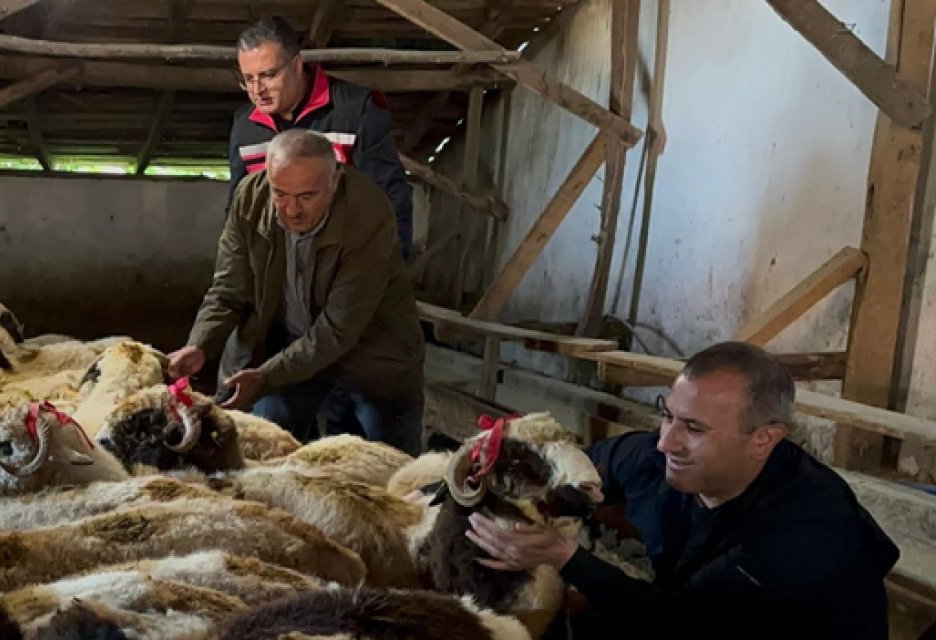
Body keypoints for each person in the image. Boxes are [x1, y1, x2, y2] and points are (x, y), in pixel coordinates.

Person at [465, 341, 899, 639]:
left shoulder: (802, 535)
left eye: (693, 428)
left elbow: (677, 624)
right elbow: (575, 467)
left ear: (764, 439)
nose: (666, 441)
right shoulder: (662, 461)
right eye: (668, 415)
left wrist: (564, 556)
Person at [168, 130, 424, 455]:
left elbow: (338, 328)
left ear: (335, 180)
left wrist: (266, 376)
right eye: (281, 194)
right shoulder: (250, 198)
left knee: (389, 465)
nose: (292, 210)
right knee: (266, 452)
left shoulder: (367, 214)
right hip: (288, 349)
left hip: (372, 354)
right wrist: (200, 345)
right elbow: (228, 289)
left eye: (306, 196)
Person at [228, 16, 414, 260]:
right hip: (275, 268)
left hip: (347, 263)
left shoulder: (357, 112)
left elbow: (389, 197)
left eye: (268, 75)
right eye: (248, 79)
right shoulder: (245, 126)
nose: (257, 90)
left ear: (296, 65)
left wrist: (390, 271)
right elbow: (238, 210)